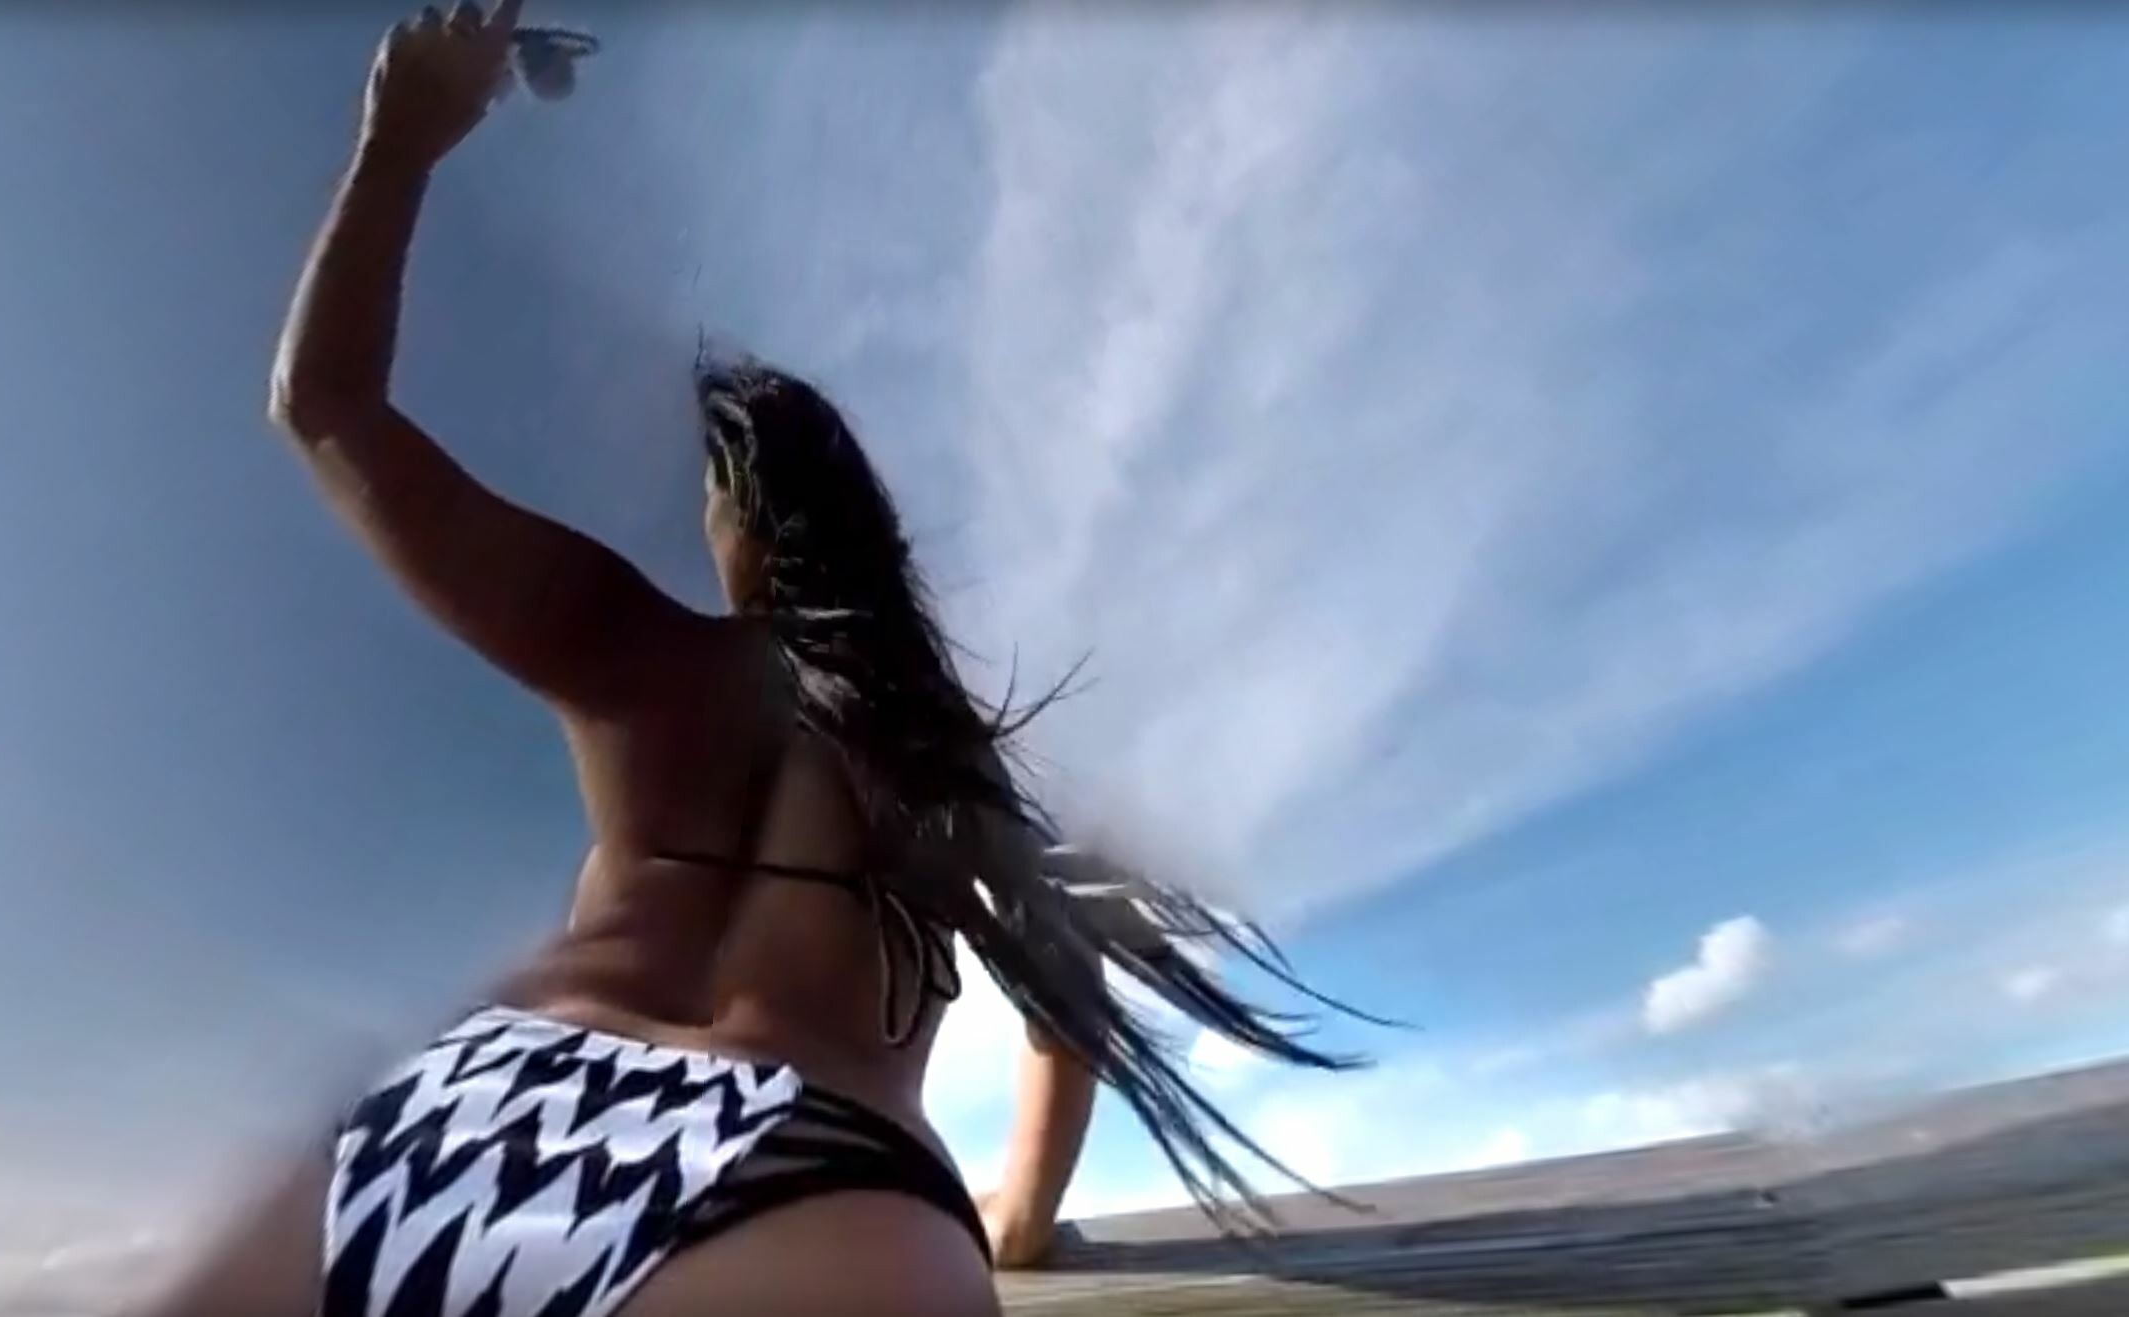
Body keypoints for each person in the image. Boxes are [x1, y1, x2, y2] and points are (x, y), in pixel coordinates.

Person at [144, 4, 1364, 1315]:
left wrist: (400, 137)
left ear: (738, 520)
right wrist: (1018, 1219)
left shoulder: (635, 652)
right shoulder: (938, 760)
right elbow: (1063, 1003)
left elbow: (324, 406)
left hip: (481, 1115)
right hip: (809, 1161)